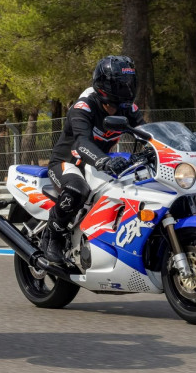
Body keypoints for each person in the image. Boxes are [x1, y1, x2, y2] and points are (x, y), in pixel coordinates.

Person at [42, 55, 145, 264]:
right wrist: (104, 161)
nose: (127, 88)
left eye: (129, 83)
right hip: (68, 163)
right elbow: (81, 143)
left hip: (99, 164)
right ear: (105, 84)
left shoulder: (128, 108)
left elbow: (145, 133)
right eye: (120, 84)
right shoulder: (84, 107)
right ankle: (52, 236)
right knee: (77, 190)